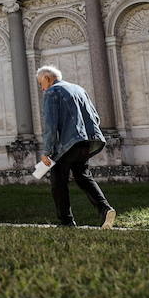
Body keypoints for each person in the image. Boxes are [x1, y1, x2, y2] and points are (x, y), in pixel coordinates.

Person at [36, 66, 116, 228]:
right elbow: (95, 117)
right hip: (88, 141)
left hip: (69, 142)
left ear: (47, 78)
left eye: (40, 83)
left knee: (58, 179)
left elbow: (51, 126)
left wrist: (46, 152)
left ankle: (66, 221)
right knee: (82, 175)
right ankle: (105, 209)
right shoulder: (79, 89)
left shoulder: (52, 92)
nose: (41, 88)